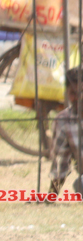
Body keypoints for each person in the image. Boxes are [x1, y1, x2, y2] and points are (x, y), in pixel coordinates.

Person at [48, 66, 83, 198]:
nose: (79, 97)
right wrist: (51, 196)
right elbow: (61, 161)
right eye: (73, 93)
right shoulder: (63, 120)